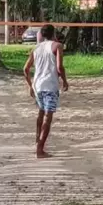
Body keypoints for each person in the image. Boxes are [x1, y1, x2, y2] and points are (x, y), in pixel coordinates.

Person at [24, 24, 68, 159]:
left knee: (41, 113)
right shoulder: (57, 46)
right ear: (53, 33)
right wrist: (65, 80)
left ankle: (38, 140)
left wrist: (30, 85)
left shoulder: (36, 48)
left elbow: (25, 69)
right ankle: (40, 149)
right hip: (50, 85)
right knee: (48, 117)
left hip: (38, 85)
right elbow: (60, 67)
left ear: (42, 35)